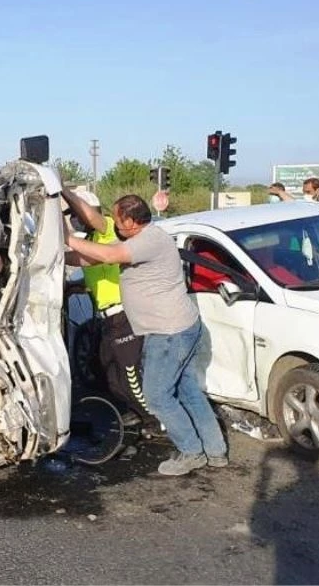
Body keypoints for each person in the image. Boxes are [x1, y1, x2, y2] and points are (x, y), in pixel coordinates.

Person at [64, 194, 228, 476]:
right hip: (178, 327)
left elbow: (107, 256)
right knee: (188, 390)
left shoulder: (149, 241)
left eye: (117, 219)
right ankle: (215, 451)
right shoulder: (140, 239)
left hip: (168, 333)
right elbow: (91, 259)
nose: (113, 224)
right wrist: (55, 256)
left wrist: (65, 238)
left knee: (157, 396)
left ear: (130, 222)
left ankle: (191, 451)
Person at [61, 186, 154, 429]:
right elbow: (89, 264)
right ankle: (134, 410)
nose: (75, 220)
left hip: (123, 315)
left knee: (130, 374)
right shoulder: (90, 242)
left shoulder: (108, 228)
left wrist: (63, 191)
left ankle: (155, 420)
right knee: (111, 373)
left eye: (77, 215)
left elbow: (94, 221)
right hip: (108, 320)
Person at [269, 177, 319, 252]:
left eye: (308, 192)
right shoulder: (311, 204)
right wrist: (279, 192)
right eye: (304, 192)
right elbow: (294, 203)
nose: (305, 195)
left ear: (318, 190)